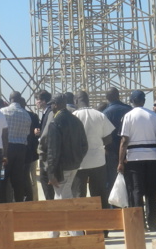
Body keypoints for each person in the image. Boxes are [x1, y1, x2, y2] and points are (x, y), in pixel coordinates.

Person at [118, 90, 156, 231]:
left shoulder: (128, 116)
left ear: (132, 101)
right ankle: (153, 223)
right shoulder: (154, 116)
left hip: (134, 158)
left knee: (137, 191)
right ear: (144, 101)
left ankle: (139, 223)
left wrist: (120, 161)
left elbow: (124, 140)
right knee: (152, 191)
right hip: (152, 157)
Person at [46, 94, 89, 236]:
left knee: (62, 200)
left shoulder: (55, 123)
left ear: (56, 105)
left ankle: (76, 233)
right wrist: (78, 160)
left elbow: (53, 151)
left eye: (52, 104)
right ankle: (55, 233)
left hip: (61, 168)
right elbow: (84, 145)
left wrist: (51, 173)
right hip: (74, 165)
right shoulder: (76, 120)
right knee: (63, 196)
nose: (51, 107)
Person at [72, 91, 114, 204]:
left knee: (79, 195)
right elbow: (109, 138)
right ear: (88, 100)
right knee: (99, 194)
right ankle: (102, 218)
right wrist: (98, 143)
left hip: (79, 162)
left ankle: (82, 219)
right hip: (98, 161)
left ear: (75, 101)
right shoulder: (100, 115)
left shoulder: (73, 116)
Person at [0, 92, 34, 202]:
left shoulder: (3, 112)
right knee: (18, 179)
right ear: (20, 100)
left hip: (6, 149)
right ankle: (18, 202)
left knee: (3, 177)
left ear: (10, 99)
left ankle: (4, 203)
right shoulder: (26, 115)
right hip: (21, 150)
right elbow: (27, 133)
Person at [103, 87, 132, 201]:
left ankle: (115, 208)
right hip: (129, 150)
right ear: (118, 96)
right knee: (129, 182)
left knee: (113, 182)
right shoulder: (129, 109)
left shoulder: (105, 113)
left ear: (107, 98)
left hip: (111, 151)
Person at [35, 90, 55, 200]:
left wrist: (40, 140)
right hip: (48, 150)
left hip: (47, 151)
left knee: (44, 177)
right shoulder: (46, 112)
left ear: (43, 101)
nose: (36, 103)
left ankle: (50, 202)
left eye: (37, 100)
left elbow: (48, 133)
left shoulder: (49, 112)